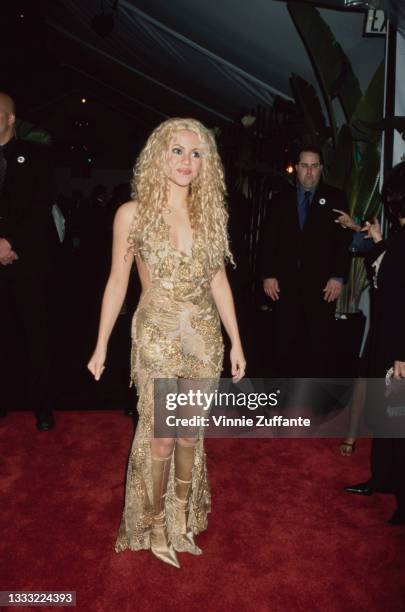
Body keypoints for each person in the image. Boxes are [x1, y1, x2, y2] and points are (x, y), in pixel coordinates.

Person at [88, 118, 246, 568]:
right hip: (156, 333)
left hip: (203, 338)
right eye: (177, 151)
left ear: (206, 164)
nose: (186, 161)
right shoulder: (132, 214)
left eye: (196, 154)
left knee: (188, 435)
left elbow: (219, 283)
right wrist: (101, 344)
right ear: (159, 156)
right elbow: (117, 282)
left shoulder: (209, 213)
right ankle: (155, 524)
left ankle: (180, 519)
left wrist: (236, 340)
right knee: (160, 438)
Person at [344, 162, 405, 525]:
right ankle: (381, 479)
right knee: (385, 417)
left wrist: (402, 355)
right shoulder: (398, 237)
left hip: (399, 347)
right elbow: (386, 278)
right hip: (384, 338)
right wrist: (378, 242)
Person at [260, 147, 351, 378]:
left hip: (322, 287)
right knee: (283, 343)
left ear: (320, 169)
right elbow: (268, 239)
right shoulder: (280, 200)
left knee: (319, 345)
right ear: (297, 168)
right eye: (305, 166)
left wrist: (338, 277)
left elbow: (343, 242)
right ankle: (282, 396)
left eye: (314, 166)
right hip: (285, 286)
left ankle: (315, 401)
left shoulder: (335, 198)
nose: (309, 172)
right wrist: (268, 274)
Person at [0, 92, 56, 430]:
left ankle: (44, 407)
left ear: (9, 119)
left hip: (26, 260)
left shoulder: (35, 156)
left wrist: (10, 242)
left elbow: (41, 205)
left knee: (36, 335)